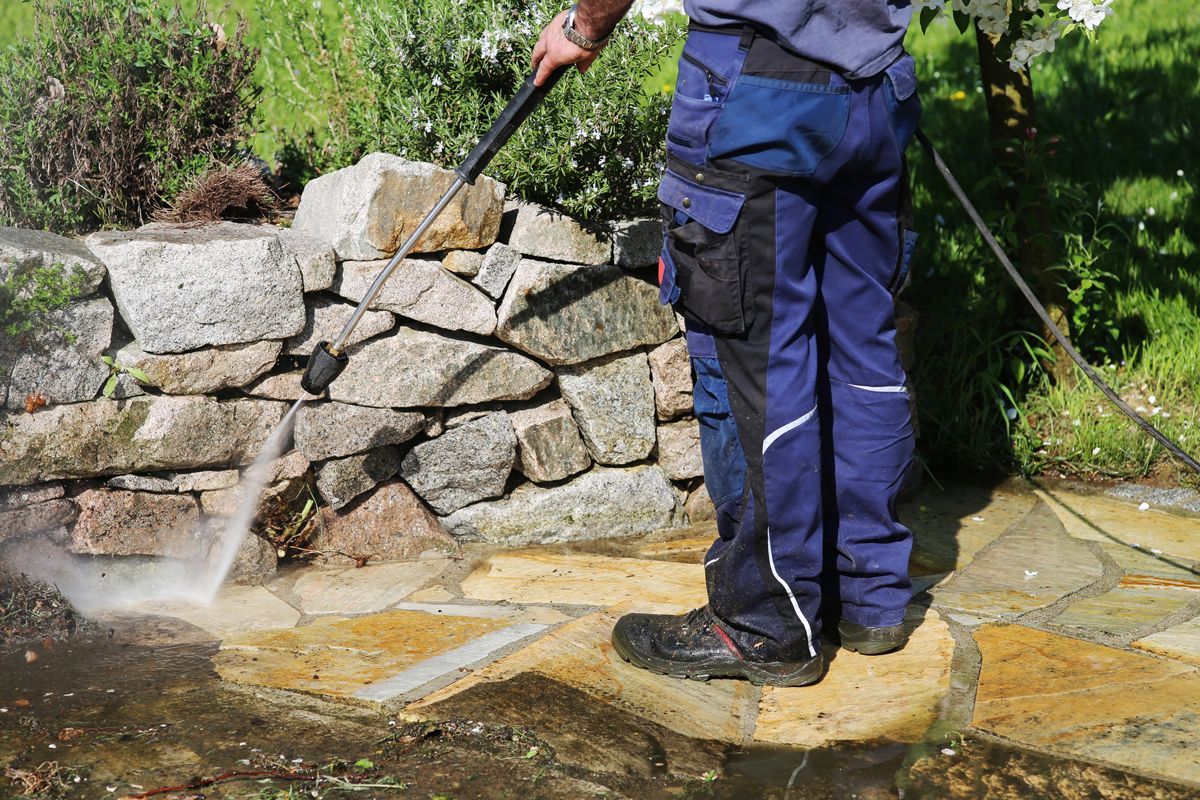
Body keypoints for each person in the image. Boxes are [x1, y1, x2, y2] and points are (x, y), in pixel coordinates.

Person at [533, 1, 921, 687]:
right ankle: (870, 598)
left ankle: (766, 622)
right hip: (876, 90)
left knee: (754, 363)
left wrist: (583, 25)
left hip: (757, 92)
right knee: (863, 349)